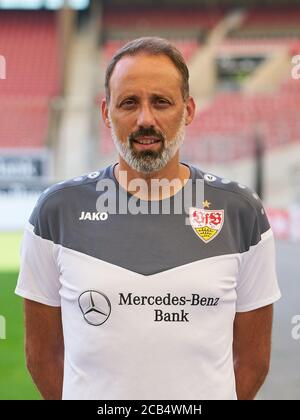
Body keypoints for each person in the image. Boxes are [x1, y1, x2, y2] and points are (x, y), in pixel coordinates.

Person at [16, 37, 281, 400]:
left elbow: (252, 360)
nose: (145, 119)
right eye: (129, 103)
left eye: (161, 102)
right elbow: (42, 357)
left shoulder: (241, 212)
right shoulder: (55, 213)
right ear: (106, 112)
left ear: (188, 110)